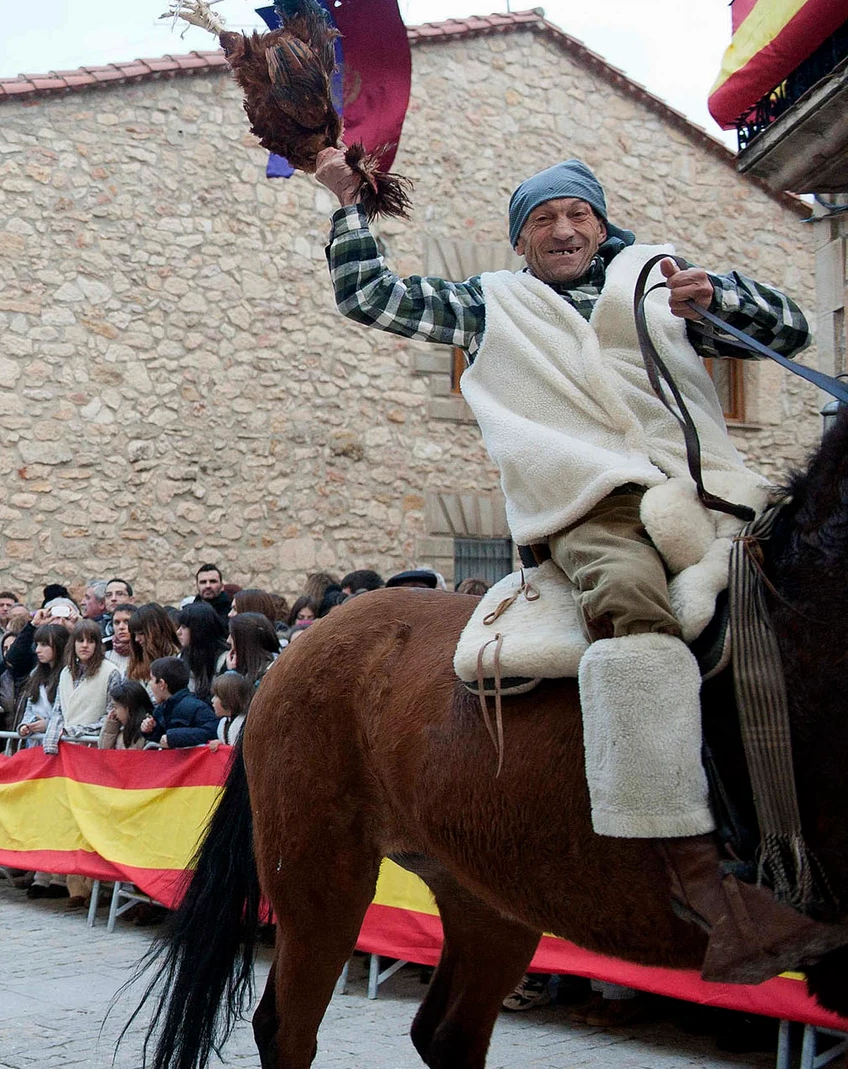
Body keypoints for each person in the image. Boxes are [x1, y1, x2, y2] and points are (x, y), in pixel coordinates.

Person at [320, 149, 831, 979]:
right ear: (520, 242)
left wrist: (721, 296)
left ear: (600, 222)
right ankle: (698, 876)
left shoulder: (655, 281)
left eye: (576, 216)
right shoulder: (493, 304)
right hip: (592, 505)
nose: (562, 231)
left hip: (712, 490)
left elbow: (791, 331)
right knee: (637, 609)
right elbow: (371, 297)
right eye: (541, 222)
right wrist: (348, 204)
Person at [45, 624, 122, 747]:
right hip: (66, 746)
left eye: (90, 641)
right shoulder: (66, 672)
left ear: (97, 645)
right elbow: (58, 711)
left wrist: (75, 732)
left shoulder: (111, 672)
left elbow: (112, 716)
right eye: (80, 640)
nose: (85, 645)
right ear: (73, 643)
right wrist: (51, 741)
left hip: (93, 747)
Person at [140, 656, 219, 749]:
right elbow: (161, 738)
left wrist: (175, 737)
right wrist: (151, 729)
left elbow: (212, 731)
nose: (149, 683)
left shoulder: (196, 707)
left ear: (162, 684)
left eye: (152, 679)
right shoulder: (161, 710)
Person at [13, 624, 70, 739]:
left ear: (58, 645)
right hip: (35, 742)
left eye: (44, 645)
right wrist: (25, 726)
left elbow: (71, 714)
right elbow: (31, 705)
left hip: (59, 740)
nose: (38, 650)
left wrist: (49, 725)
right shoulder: (35, 673)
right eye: (37, 644)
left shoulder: (69, 675)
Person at [175, 601, 230, 699]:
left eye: (184, 627)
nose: (178, 632)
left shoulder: (225, 660)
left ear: (198, 629)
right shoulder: (182, 657)